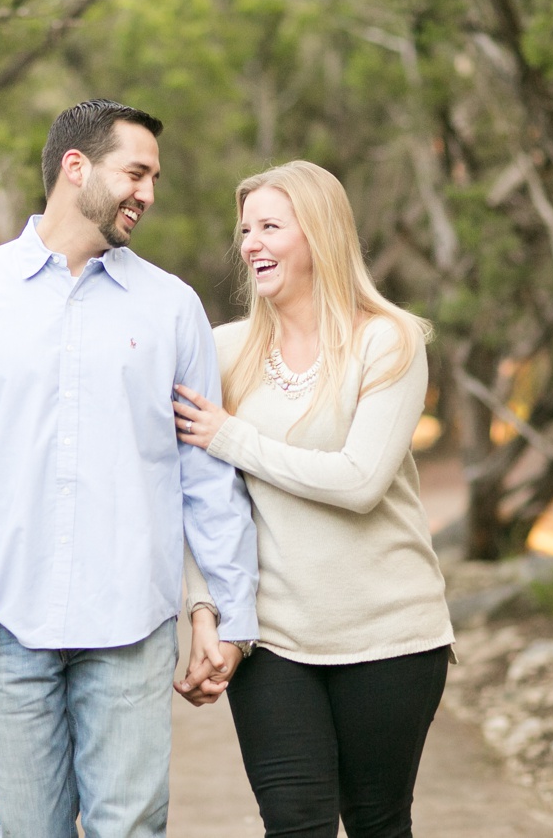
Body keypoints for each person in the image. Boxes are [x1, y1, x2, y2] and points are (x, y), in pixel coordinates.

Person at [0, 99, 259, 838]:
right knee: (30, 831)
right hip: (2, 620)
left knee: (131, 828)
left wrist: (226, 613)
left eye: (154, 177)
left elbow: (205, 477)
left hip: (132, 623)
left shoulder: (172, 308)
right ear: (75, 167)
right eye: (136, 172)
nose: (148, 192)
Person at [172, 160, 455, 838]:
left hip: (389, 633)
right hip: (274, 637)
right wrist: (204, 607)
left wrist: (233, 437)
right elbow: (196, 495)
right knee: (294, 824)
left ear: (319, 234)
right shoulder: (224, 349)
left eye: (270, 225)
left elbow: (360, 480)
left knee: (377, 821)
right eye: (245, 230)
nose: (250, 244)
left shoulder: (388, 340)